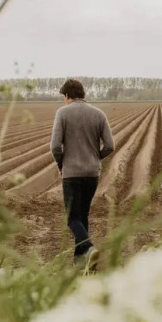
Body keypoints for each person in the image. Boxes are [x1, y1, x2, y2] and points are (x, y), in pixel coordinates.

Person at [50, 78, 114, 270]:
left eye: (63, 97)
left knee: (72, 218)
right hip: (92, 173)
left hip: (72, 173)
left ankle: (89, 248)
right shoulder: (99, 114)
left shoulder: (62, 113)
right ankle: (81, 261)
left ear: (67, 95)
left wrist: (62, 164)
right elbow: (110, 146)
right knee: (82, 215)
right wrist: (95, 158)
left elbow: (55, 146)